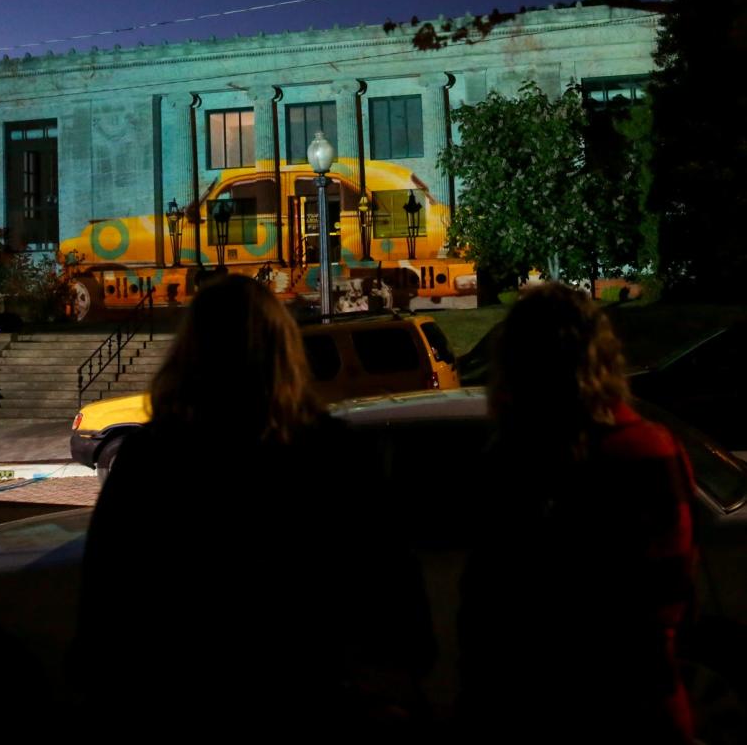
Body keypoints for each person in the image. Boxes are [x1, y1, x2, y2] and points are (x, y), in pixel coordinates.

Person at [74, 275, 434, 733]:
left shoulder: (152, 461)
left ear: (189, 354)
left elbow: (104, 617)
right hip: (314, 705)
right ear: (285, 353)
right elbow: (401, 615)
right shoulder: (336, 454)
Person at [458, 283, 696, 743]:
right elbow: (676, 595)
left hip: (533, 711)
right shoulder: (650, 451)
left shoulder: (510, 464)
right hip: (642, 707)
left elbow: (487, 614)